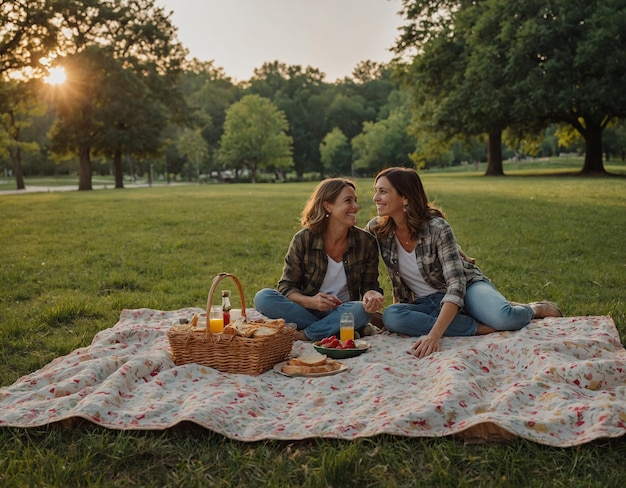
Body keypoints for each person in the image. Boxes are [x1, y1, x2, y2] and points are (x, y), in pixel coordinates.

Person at [365, 167, 562, 358]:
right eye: (376, 191)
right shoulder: (378, 229)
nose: (375, 198)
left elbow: (456, 286)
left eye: (383, 192)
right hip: (427, 302)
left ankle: (533, 308)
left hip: (466, 288)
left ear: (405, 197)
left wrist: (434, 336)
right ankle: (477, 327)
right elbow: (355, 244)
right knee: (392, 316)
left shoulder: (437, 228)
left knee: (505, 318)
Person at [254, 178, 385, 341]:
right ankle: (336, 330)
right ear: (327, 205)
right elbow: (286, 286)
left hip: (344, 310)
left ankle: (305, 334)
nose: (356, 207)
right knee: (263, 297)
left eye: (355, 201)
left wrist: (372, 295)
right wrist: (311, 302)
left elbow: (370, 286)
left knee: (362, 310)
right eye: (348, 201)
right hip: (306, 309)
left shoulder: (366, 242)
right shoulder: (304, 239)